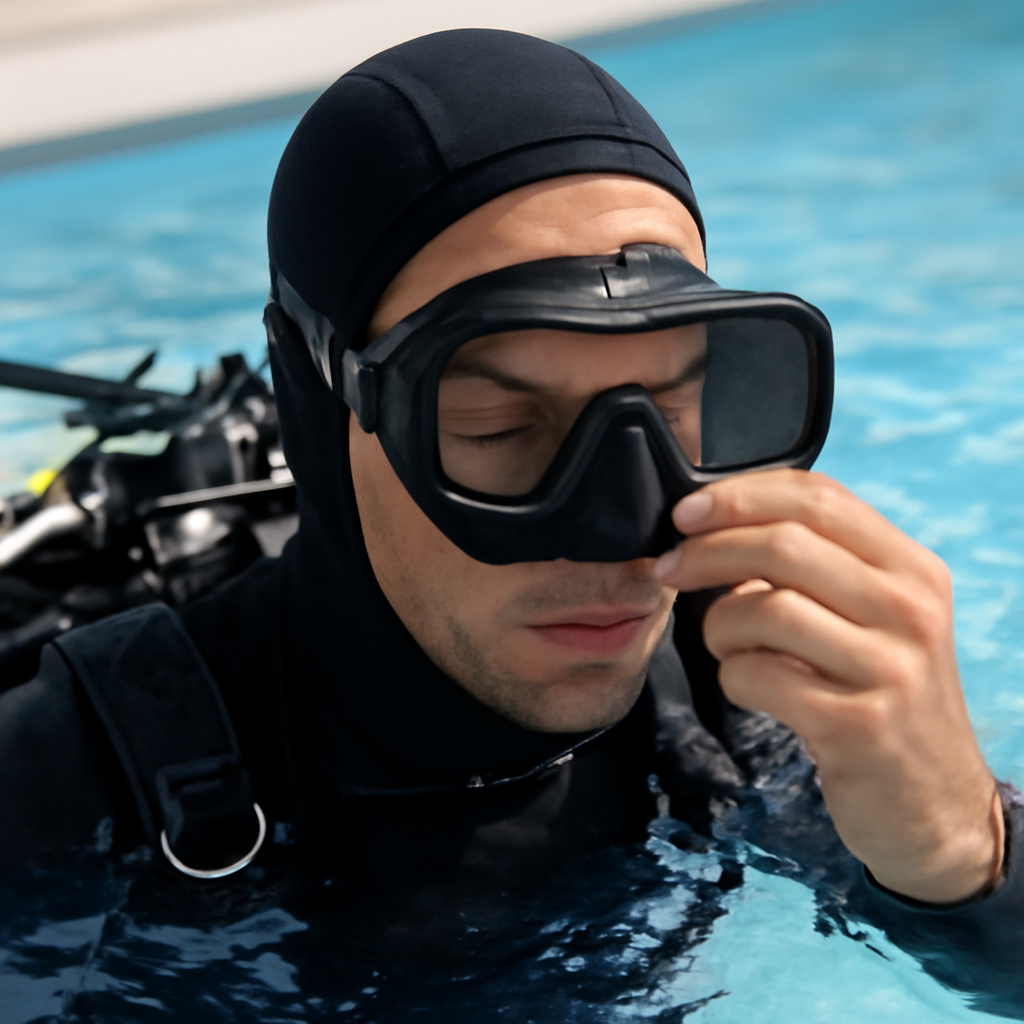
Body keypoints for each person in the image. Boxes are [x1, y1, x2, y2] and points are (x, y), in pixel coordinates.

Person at [1, 27, 1022, 1007]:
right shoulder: (66, 787)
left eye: (670, 413)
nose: (629, 523)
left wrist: (960, 852)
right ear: (321, 408)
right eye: (497, 429)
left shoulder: (750, 698)